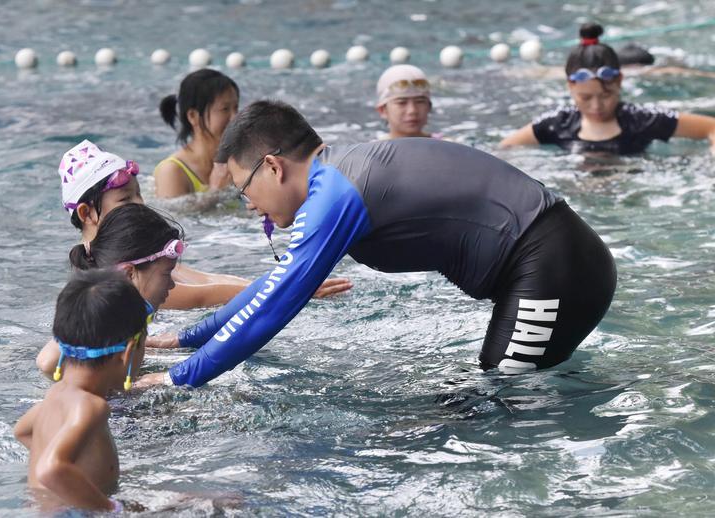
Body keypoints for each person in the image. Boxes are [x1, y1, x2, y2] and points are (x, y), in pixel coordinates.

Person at [136, 99, 617, 389]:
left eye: (245, 189)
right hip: (556, 263)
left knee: (499, 405)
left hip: (553, 267)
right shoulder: (338, 173)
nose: (249, 205)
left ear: (273, 167)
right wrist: (185, 340)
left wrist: (180, 377)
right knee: (490, 396)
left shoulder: (335, 195)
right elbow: (272, 291)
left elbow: (273, 308)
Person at [58, 140, 352, 310]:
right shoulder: (111, 273)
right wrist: (290, 286)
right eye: (125, 199)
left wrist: (282, 278)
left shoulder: (135, 254)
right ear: (87, 213)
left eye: (138, 193)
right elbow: (199, 294)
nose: (139, 204)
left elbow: (200, 278)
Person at [14, 269, 148, 512]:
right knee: (218, 502)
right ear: (128, 351)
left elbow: (22, 431)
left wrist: (59, 491)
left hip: (56, 510)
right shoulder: (91, 406)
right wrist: (112, 509)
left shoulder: (56, 394)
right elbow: (50, 468)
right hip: (75, 513)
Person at [499, 23, 715, 154]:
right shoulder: (558, 123)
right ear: (570, 87)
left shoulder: (641, 119)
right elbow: (506, 148)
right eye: (585, 98)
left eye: (606, 95)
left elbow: (711, 127)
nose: (596, 106)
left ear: (620, 82)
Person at [36, 203, 183, 376]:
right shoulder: (99, 312)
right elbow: (46, 362)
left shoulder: (127, 314)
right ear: (129, 273)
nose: (172, 285)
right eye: (166, 274)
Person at [154, 69, 238, 198]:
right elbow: (172, 217)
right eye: (225, 109)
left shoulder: (237, 161)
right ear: (193, 116)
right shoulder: (171, 171)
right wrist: (216, 193)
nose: (235, 118)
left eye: (236, 108)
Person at [375, 64, 442, 140]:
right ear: (382, 110)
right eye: (401, 103)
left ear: (429, 107)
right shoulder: (372, 150)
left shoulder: (447, 147)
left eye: (420, 101)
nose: (412, 111)